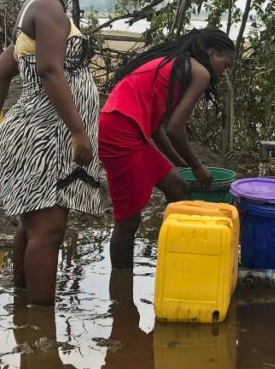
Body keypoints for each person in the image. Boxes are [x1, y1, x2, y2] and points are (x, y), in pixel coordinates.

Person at [0, 0, 102, 306]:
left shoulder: (35, 10)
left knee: (33, 225)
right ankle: (40, 326)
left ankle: (23, 307)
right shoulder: (48, 9)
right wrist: (79, 132)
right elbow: (51, 71)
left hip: (41, 134)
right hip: (46, 138)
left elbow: (1, 72)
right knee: (47, 231)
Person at [99, 28, 235, 269]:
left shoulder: (177, 66)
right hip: (120, 131)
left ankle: (173, 258)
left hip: (129, 128)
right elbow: (175, 129)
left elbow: (157, 129)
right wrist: (196, 166)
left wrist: (179, 163)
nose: (224, 73)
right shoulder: (199, 72)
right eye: (225, 65)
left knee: (177, 187)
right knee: (128, 220)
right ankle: (121, 291)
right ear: (212, 53)